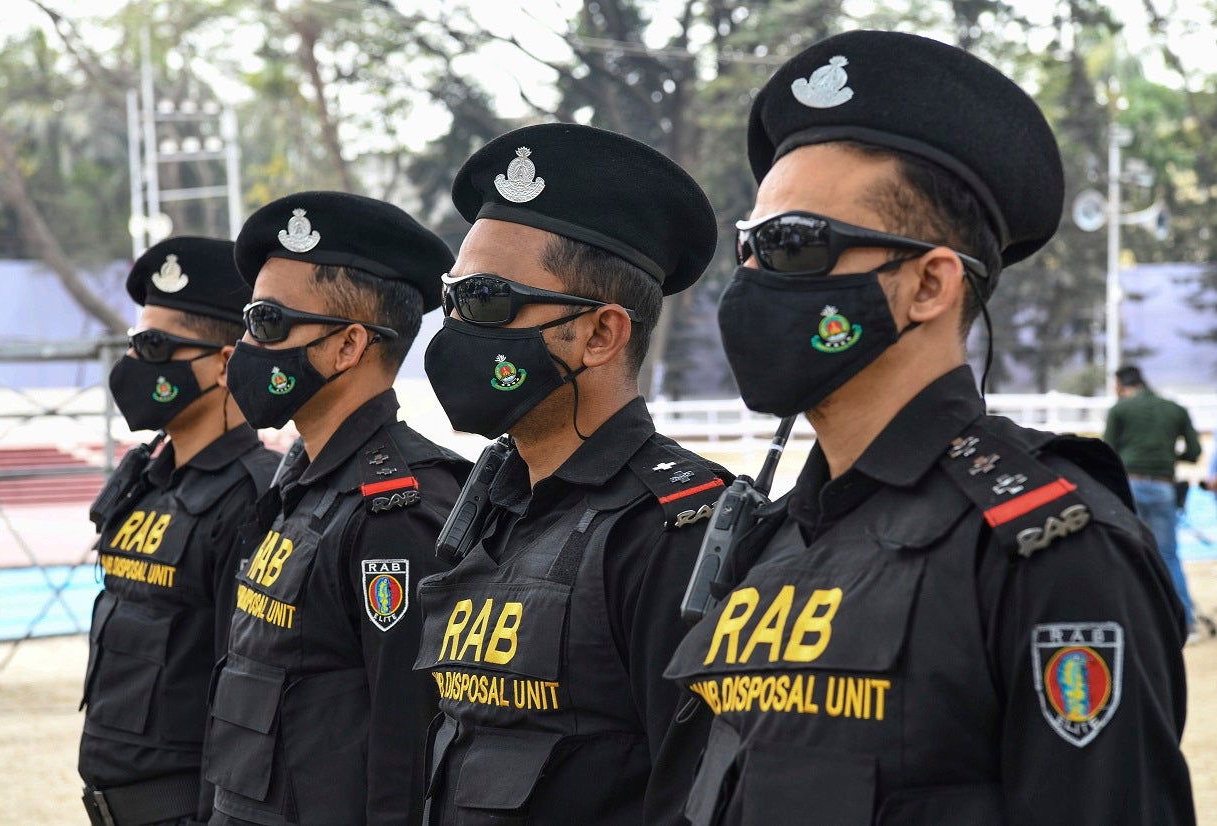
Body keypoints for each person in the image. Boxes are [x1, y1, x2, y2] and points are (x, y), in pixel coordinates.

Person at [659, 30, 1195, 826]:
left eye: (793, 245)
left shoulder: (1048, 550)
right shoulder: (765, 542)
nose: (749, 282)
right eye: (750, 246)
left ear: (928, 284)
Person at [413, 123, 731, 825]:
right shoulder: (493, 504)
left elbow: (695, 798)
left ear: (599, 334)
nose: (457, 328)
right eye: (452, 298)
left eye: (488, 301)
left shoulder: (675, 531)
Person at [205, 192, 470, 826]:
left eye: (267, 322)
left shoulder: (399, 509)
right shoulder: (298, 477)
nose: (244, 345)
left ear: (348, 345)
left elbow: (404, 745)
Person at [80, 237, 281, 826]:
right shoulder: (147, 478)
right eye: (135, 343)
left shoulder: (252, 496)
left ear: (224, 363)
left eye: (155, 346)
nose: (135, 363)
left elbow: (240, 690)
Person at [1104, 363, 1201, 638]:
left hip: (1129, 484)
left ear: (1121, 385)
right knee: (1168, 554)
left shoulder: (1120, 409)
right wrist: (1169, 458)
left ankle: (1134, 621)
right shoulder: (1174, 409)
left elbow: (1106, 451)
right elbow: (1194, 451)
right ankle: (1186, 624)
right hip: (1163, 487)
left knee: (1129, 551)